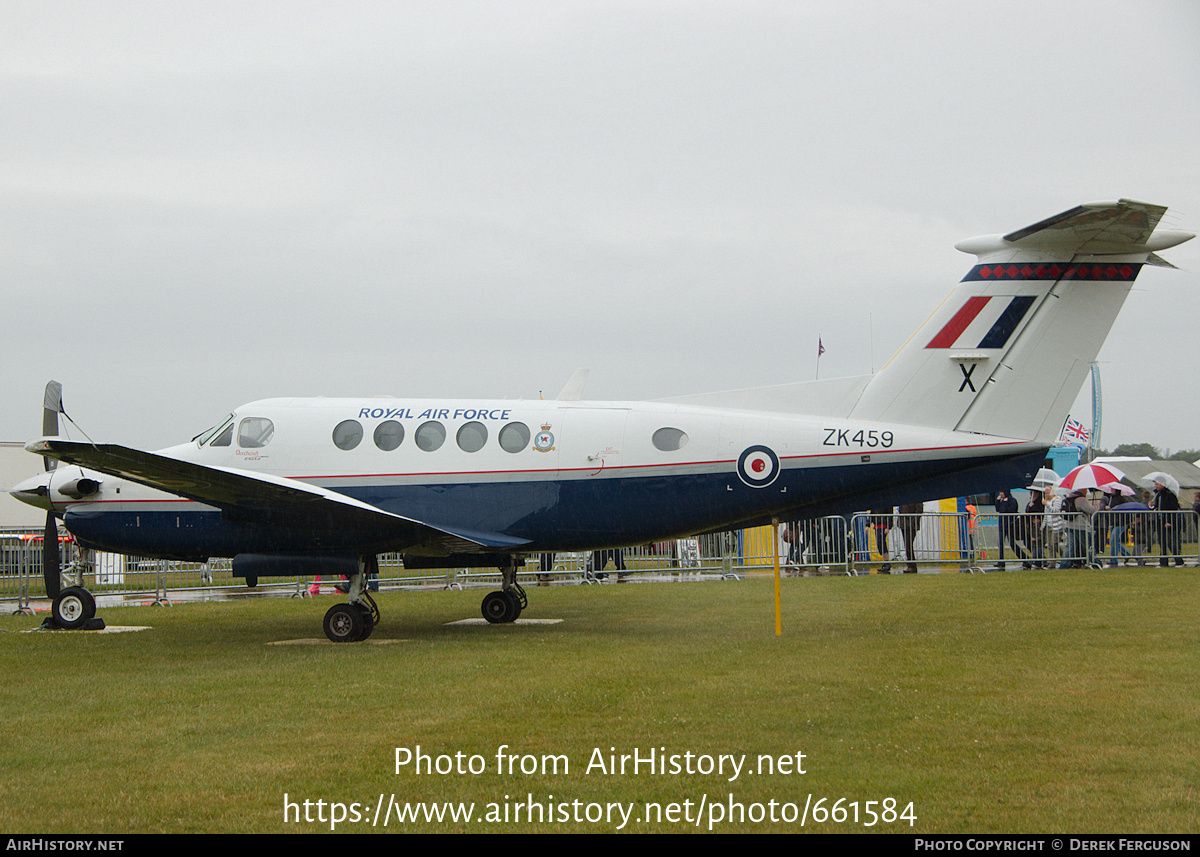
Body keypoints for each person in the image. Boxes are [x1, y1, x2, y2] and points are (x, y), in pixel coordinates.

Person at [1150, 480, 1183, 567]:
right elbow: (1156, 507)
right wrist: (1152, 506)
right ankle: (1163, 562)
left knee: (1170, 542)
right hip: (1160, 521)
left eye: (1157, 484)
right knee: (1162, 542)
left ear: (1163, 484)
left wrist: (1170, 521)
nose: (1155, 485)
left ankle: (1179, 560)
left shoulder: (1170, 495)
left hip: (1168, 522)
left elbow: (1174, 509)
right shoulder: (1158, 495)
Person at [994, 489, 1027, 569]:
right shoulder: (1002, 501)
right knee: (1001, 543)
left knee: (1012, 543)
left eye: (1002, 492)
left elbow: (1009, 511)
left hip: (1010, 524)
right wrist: (998, 500)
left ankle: (1025, 559)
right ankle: (1001, 561)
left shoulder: (1012, 501)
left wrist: (1005, 502)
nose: (1001, 494)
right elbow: (998, 509)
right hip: (1002, 524)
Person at [1023, 488, 1045, 568]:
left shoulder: (1040, 502)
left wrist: (1032, 506)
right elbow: (1027, 511)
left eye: (1032, 492)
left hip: (1037, 525)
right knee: (1028, 542)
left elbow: (1039, 512)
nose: (1031, 494)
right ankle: (1038, 558)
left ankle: (1037, 560)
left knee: (1036, 542)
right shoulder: (1030, 502)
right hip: (1030, 525)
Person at [898, 502, 922, 573]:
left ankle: (912, 566)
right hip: (903, 523)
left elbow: (919, 510)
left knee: (908, 544)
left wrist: (913, 522)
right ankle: (911, 565)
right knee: (907, 545)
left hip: (911, 525)